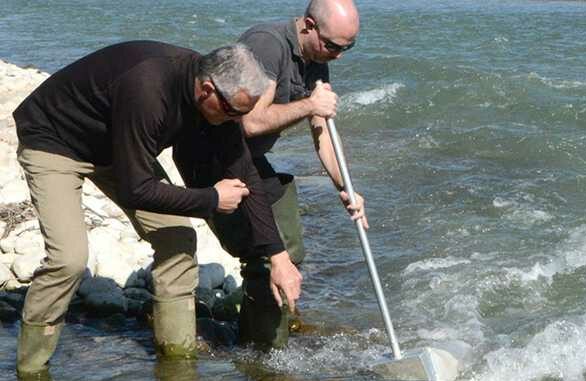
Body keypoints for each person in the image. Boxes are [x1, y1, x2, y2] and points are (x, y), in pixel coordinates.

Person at [12, 40, 299, 378]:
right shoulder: (149, 89)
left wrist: (278, 256)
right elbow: (136, 190)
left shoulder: (217, 101)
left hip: (119, 148)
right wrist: (211, 199)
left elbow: (246, 172)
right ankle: (31, 368)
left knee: (178, 240)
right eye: (233, 112)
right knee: (69, 259)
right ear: (208, 89)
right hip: (56, 140)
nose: (236, 122)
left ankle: (177, 364)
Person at [214, 0, 364, 349]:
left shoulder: (316, 58)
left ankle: (259, 338)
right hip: (218, 160)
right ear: (309, 25)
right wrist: (311, 104)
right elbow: (251, 122)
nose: (339, 55)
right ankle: (265, 354)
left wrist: (347, 188)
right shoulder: (267, 46)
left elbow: (322, 132)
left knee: (290, 247)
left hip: (251, 160)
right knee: (265, 253)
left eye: (348, 47)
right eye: (334, 46)